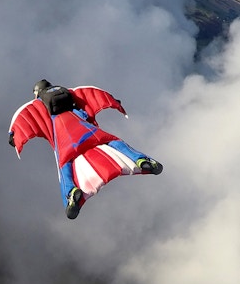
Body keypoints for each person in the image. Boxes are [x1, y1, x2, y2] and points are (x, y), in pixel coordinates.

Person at [9, 80, 162, 219]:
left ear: (37, 93)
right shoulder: (74, 92)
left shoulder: (35, 106)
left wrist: (13, 137)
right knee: (113, 141)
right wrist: (114, 101)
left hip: (64, 137)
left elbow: (21, 121)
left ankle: (71, 194)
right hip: (84, 128)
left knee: (64, 164)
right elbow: (94, 94)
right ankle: (141, 159)